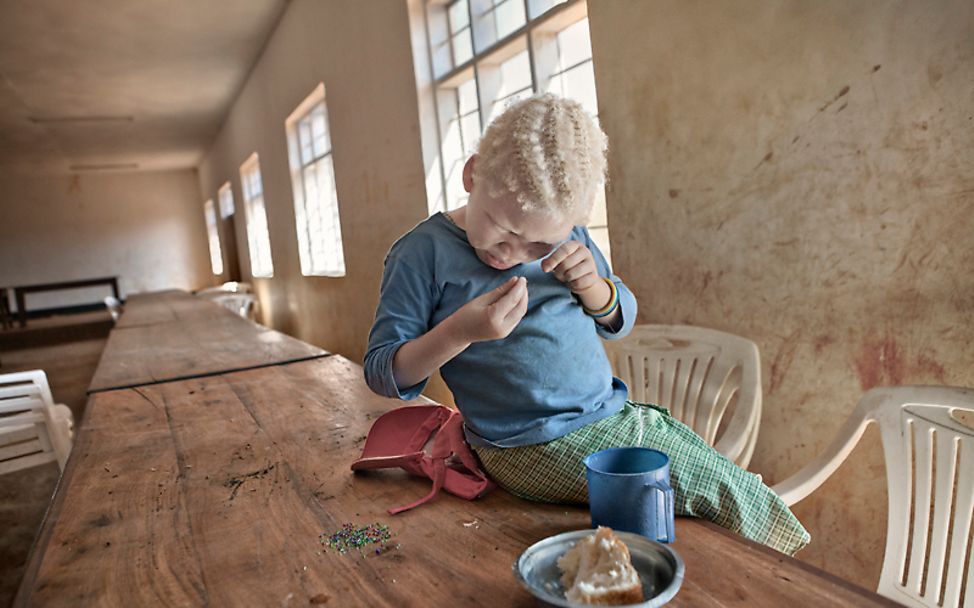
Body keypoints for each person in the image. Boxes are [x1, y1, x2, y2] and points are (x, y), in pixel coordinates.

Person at [364, 94, 809, 555]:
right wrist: (461, 331)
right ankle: (796, 580)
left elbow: (619, 323)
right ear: (472, 174)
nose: (511, 252)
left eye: (538, 245)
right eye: (501, 226)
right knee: (731, 496)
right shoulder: (421, 254)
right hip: (532, 445)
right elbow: (383, 372)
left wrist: (594, 286)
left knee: (723, 487)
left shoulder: (569, 237)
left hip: (609, 414)